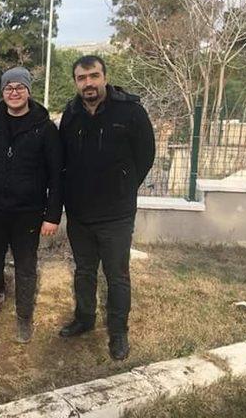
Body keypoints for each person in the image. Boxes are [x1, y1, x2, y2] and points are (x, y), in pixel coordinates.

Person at [58, 55, 155, 361]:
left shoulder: (130, 111)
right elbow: (64, 160)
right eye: (82, 78)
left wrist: (124, 186)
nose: (88, 83)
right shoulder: (71, 114)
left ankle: (118, 332)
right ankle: (84, 319)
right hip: (80, 213)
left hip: (116, 214)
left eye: (93, 76)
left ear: (104, 77)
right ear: (76, 82)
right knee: (84, 271)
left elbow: (145, 155)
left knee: (117, 275)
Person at [0, 67, 63, 344]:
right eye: (8, 88)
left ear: (29, 91)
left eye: (19, 87)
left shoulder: (44, 127)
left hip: (28, 212)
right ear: (2, 92)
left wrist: (52, 215)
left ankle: (24, 318)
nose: (14, 93)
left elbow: (56, 174)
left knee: (26, 265)